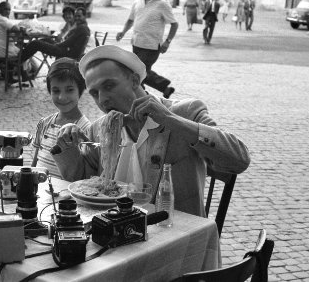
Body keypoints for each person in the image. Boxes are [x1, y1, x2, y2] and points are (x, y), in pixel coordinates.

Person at [51, 45, 251, 217]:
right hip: (118, 234)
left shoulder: (185, 112)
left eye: (109, 86)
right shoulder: (100, 128)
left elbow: (239, 160)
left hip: (173, 237)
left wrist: (169, 119)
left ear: (135, 81)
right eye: (94, 93)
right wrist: (67, 146)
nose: (102, 100)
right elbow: (83, 184)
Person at [116, 0, 177, 99]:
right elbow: (130, 20)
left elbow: (174, 24)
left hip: (152, 46)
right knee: (140, 72)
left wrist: (167, 42)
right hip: (136, 43)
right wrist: (123, 32)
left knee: (138, 72)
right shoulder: (137, 1)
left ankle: (142, 98)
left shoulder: (162, 4)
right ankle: (163, 88)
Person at [31, 58, 90, 178]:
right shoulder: (44, 123)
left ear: (80, 90)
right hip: (41, 193)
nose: (62, 97)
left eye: (69, 90)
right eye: (56, 90)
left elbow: (84, 172)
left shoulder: (85, 130)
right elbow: (35, 162)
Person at [20, 7, 90, 63]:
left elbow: (68, 42)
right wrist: (55, 44)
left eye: (79, 16)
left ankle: (19, 60)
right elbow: (67, 40)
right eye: (76, 16)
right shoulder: (83, 27)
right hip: (66, 49)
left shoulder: (81, 28)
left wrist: (55, 46)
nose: (77, 18)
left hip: (67, 53)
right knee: (46, 40)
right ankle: (25, 50)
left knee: (35, 43)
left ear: (85, 16)